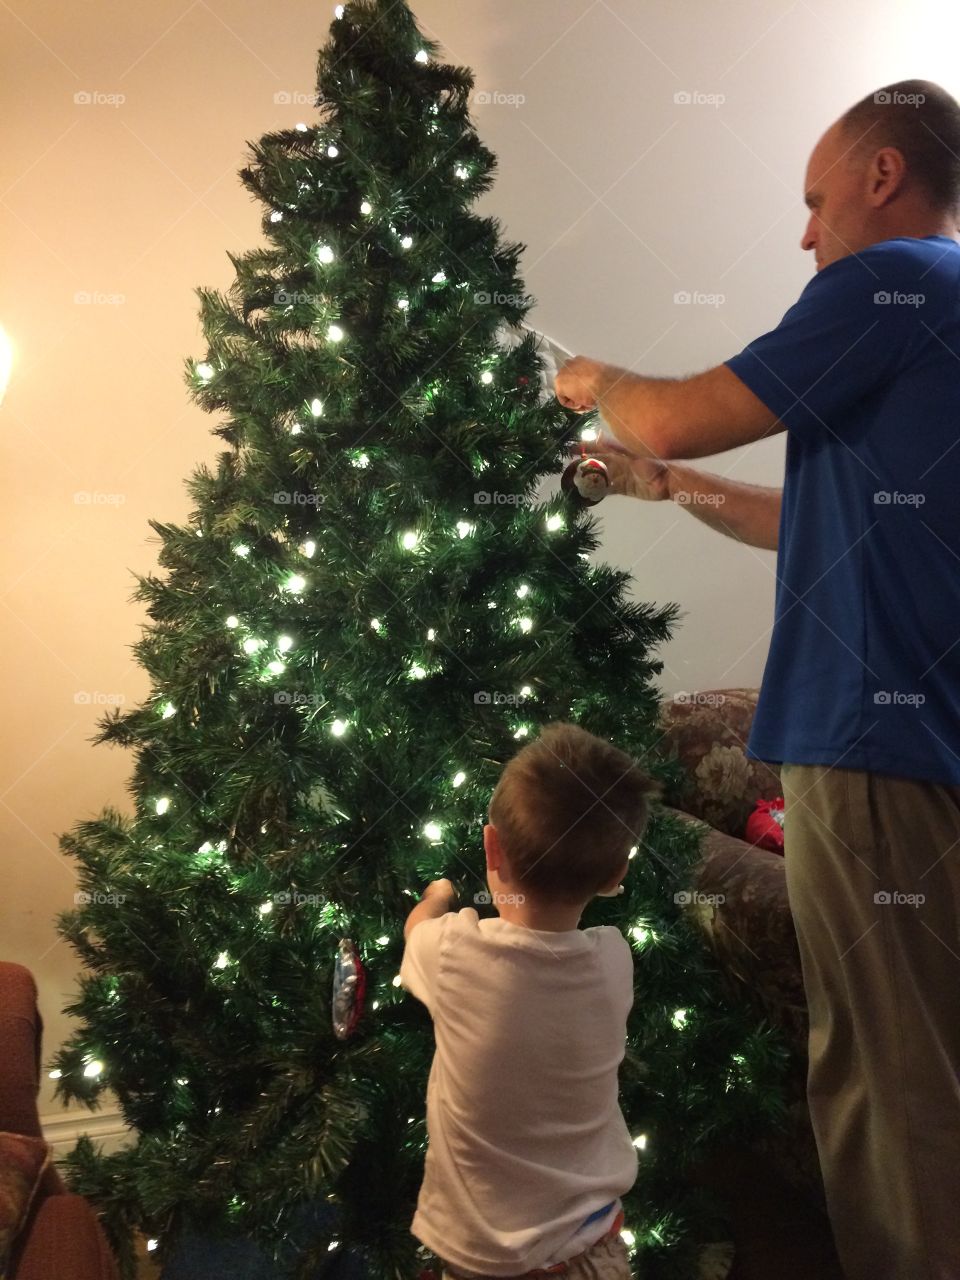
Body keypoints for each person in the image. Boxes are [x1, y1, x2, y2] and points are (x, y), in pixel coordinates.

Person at [555, 78, 960, 1280]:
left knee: (889, 1081)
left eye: (816, 199)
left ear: (884, 173)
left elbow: (674, 415)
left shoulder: (894, 282)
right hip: (914, 742)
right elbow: (818, 524)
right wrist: (670, 488)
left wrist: (595, 379)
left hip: (875, 744)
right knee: (917, 1056)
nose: (806, 232)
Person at [400, 721, 660, 1279]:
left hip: (482, 1258)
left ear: (492, 847)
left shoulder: (454, 952)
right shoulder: (614, 958)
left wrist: (437, 895)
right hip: (593, 1248)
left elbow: (415, 932)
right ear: (616, 875)